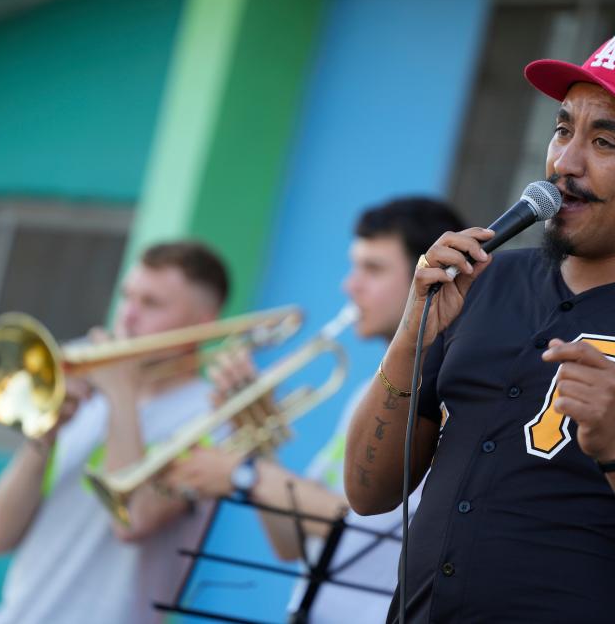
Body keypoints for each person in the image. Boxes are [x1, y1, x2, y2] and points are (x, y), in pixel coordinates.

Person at [345, 31, 615, 623]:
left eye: (604, 141)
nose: (564, 163)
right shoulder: (486, 282)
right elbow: (368, 493)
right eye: (562, 131)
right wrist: (411, 335)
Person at [162, 198, 467, 623]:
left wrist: (242, 475)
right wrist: (258, 446)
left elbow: (369, 526)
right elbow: (292, 544)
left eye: (373, 269)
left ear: (432, 278)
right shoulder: (372, 392)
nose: (350, 286)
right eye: (355, 266)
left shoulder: (449, 397)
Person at [0, 240, 230, 624]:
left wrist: (120, 395)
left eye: (152, 304)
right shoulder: (87, 398)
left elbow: (132, 520)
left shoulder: (213, 416)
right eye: (127, 297)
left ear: (203, 324)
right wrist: (44, 436)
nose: (128, 317)